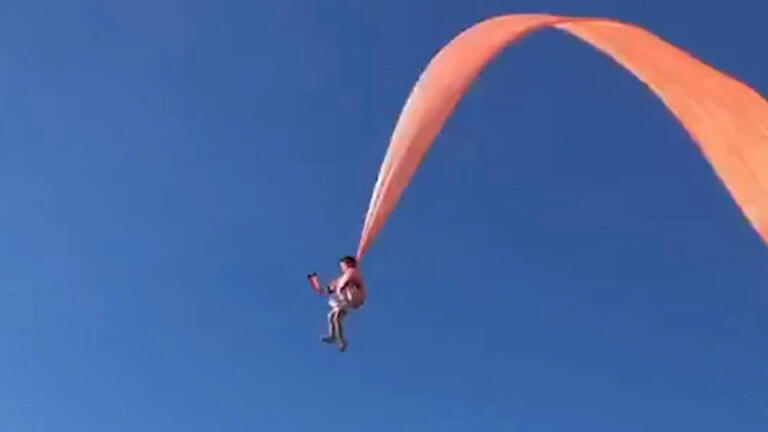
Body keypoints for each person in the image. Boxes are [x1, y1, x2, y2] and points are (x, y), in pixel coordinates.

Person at [321, 256, 366, 352]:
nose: (342, 268)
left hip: (349, 299)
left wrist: (344, 285)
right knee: (331, 316)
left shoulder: (352, 271)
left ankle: (341, 340)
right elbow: (335, 285)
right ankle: (333, 335)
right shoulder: (343, 277)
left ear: (348, 264)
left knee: (337, 317)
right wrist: (329, 289)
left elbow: (349, 280)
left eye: (343, 266)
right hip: (343, 300)